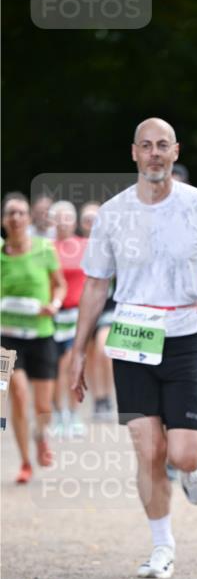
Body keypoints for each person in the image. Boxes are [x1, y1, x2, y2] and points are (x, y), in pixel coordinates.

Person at [70, 117, 197, 579]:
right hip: (132, 338)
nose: (155, 153)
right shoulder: (113, 213)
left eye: (163, 145)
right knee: (146, 450)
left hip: (185, 335)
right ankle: (162, 547)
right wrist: (78, 351)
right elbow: (95, 284)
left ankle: (192, 471)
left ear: (176, 151)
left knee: (181, 453)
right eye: (146, 146)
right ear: (134, 154)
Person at [0, 192, 66, 483]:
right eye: (10, 213)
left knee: (42, 406)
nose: (15, 218)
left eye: (20, 213)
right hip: (7, 337)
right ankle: (26, 461)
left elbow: (60, 285)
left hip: (41, 335)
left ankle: (41, 438)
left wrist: (55, 305)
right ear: (3, 220)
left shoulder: (44, 249)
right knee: (17, 393)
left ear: (28, 219)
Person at [51, 200, 88, 436]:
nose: (63, 222)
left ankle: (73, 414)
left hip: (77, 314)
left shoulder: (86, 245)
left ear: (74, 221)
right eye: (59, 217)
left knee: (72, 364)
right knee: (54, 367)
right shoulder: (45, 247)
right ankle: (57, 414)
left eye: (67, 217)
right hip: (53, 314)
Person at [80, 202, 115, 421]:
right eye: (87, 220)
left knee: (104, 349)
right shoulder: (73, 247)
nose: (91, 224)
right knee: (90, 355)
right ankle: (98, 400)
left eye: (95, 219)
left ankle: (108, 396)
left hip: (108, 307)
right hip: (81, 309)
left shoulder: (111, 245)